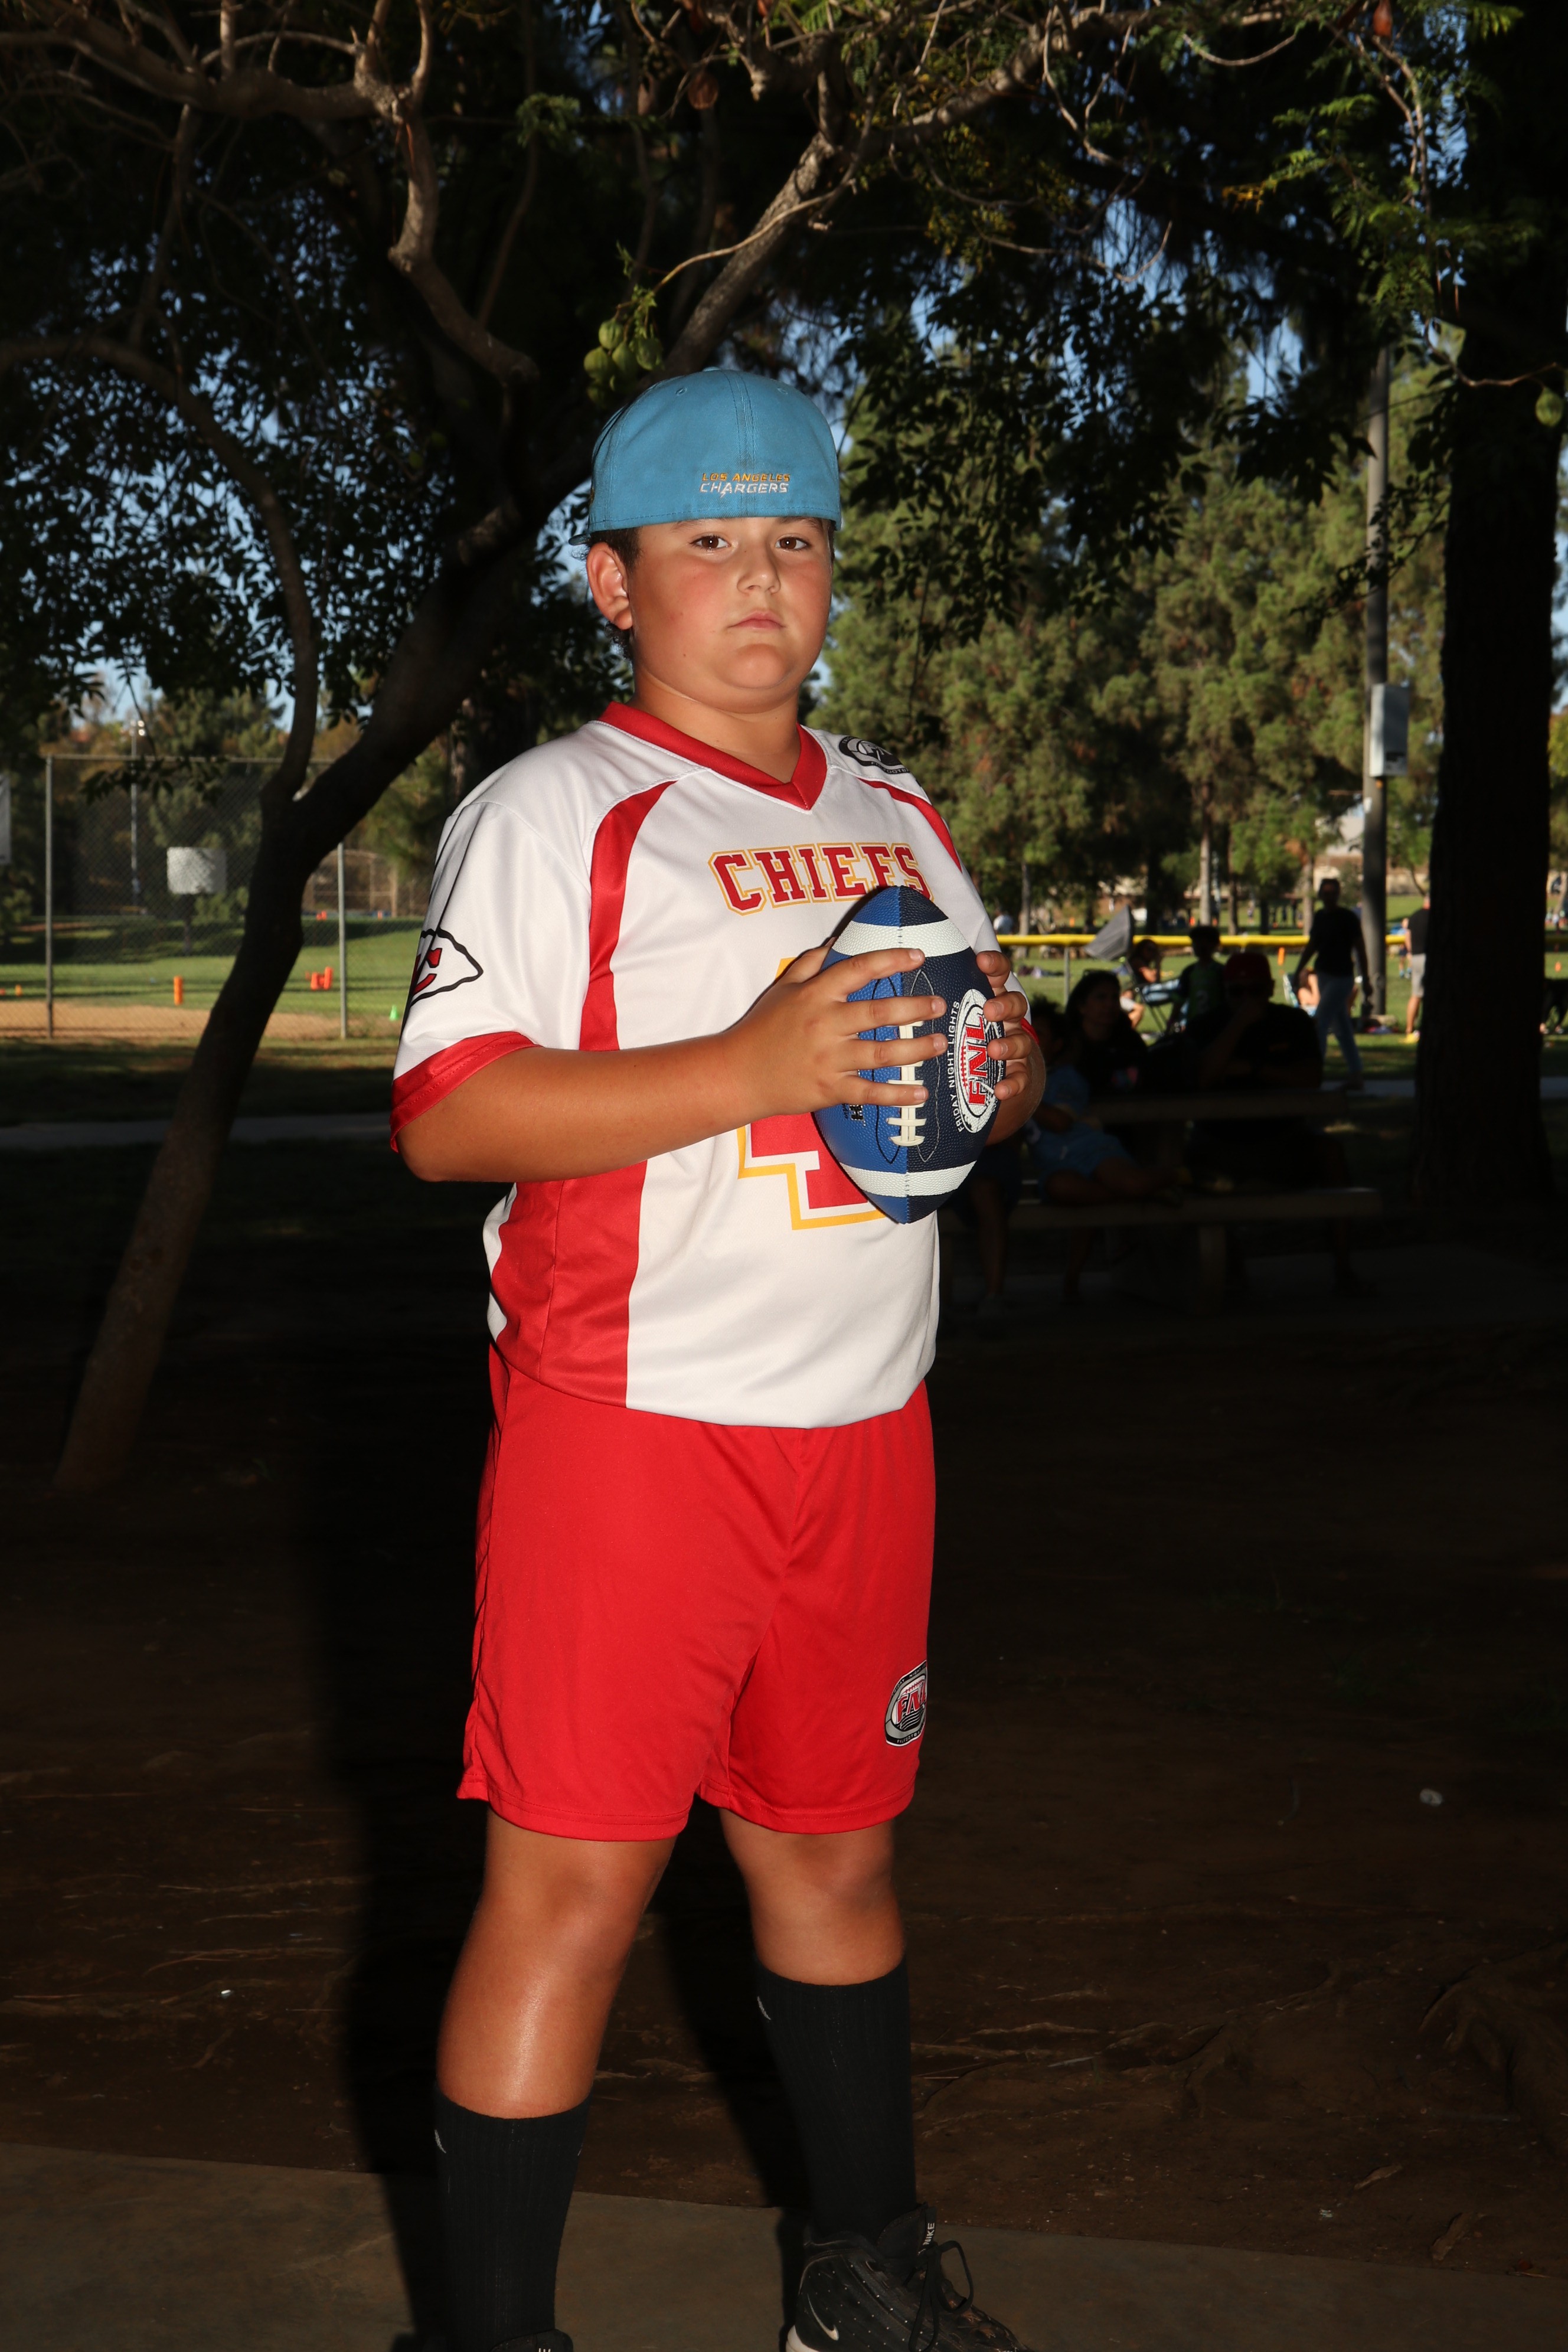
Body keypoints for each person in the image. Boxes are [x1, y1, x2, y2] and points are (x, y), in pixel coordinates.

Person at [393, 370, 1044, 2352]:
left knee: (835, 1860)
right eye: (706, 543)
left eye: (795, 539)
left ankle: (863, 2279)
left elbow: (959, 1080)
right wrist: (756, 1065)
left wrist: (1002, 1075)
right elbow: (450, 1116)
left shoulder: (893, 811)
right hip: (635, 1433)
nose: (759, 581)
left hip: (863, 1426)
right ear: (613, 581)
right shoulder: (553, 811)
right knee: (572, 1892)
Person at [1189, 950, 1368, 1294]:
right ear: (1224, 991)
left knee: (1331, 1153)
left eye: (1255, 991)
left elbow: (1310, 1078)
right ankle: (1228, 1268)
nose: (1246, 999)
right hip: (1219, 1144)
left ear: (1270, 988)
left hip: (1285, 1140)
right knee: (1187, 1170)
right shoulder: (1206, 1025)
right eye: (1236, 992)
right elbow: (1204, 1077)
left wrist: (1252, 1069)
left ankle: (1344, 1267)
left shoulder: (1293, 1023)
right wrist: (1238, 1025)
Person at [1293, 874, 1368, 1087]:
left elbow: (1360, 949)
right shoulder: (1320, 917)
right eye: (1326, 893)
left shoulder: (1348, 918)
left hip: (1342, 977)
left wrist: (1367, 978)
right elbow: (1312, 945)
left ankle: (1315, 1072)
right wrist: (1299, 969)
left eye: (1333, 893)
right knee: (1342, 1029)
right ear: (1320, 895)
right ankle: (1356, 1074)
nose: (1329, 897)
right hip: (1324, 975)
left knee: (1321, 1022)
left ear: (1338, 895)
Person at [1174, 923, 1224, 1027]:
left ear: (1214, 945)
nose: (1197, 946)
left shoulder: (1221, 971)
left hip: (1217, 1024)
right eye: (1195, 943)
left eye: (1202, 943)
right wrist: (1172, 1020)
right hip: (1195, 1024)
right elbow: (1179, 999)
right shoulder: (1190, 971)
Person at [1401, 895, 1430, 1037]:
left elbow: (1408, 936)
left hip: (1416, 957)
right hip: (1428, 957)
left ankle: (1410, 1028)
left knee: (1416, 994)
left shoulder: (1414, 916)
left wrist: (1411, 952)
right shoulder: (1432, 917)